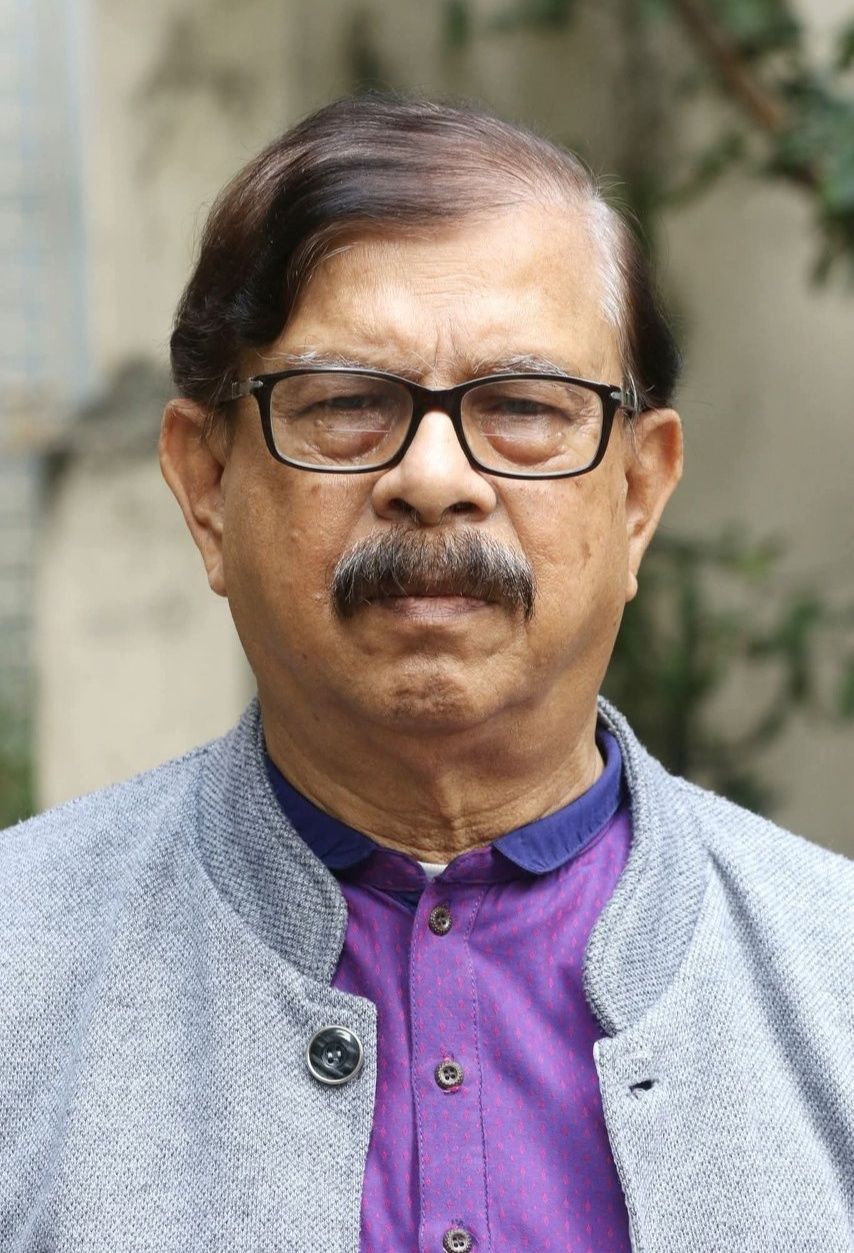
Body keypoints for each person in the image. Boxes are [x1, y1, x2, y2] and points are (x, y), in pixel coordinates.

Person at [1, 94, 851, 1253]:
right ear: (207, 486)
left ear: (638, 495)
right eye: (348, 403)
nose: (435, 477)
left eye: (524, 407)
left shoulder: (829, 976)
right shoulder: (25, 966)